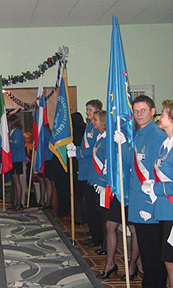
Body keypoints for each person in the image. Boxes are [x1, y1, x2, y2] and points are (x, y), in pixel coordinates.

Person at [117, 95, 167, 287]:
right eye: (136, 111)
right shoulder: (139, 133)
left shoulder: (157, 136)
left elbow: (157, 173)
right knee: (146, 254)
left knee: (154, 255)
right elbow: (133, 161)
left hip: (150, 205)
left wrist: (149, 204)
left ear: (153, 112)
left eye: (143, 110)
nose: (138, 114)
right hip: (139, 201)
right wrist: (122, 145)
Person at [85, 110, 139, 280]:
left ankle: (132, 266)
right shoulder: (104, 138)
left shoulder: (126, 135)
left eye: (95, 119)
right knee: (110, 225)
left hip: (128, 186)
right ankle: (110, 264)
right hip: (114, 186)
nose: (92, 122)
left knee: (133, 228)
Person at [68, 99, 104, 248]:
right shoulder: (89, 126)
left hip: (93, 169)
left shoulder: (98, 128)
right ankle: (94, 233)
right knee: (89, 206)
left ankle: (98, 237)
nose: (87, 112)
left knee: (94, 207)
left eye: (90, 109)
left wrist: (77, 151)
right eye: (87, 109)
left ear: (97, 110)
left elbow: (95, 150)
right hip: (86, 169)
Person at [144, 100, 173, 284]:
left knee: (170, 258)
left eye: (163, 114)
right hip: (164, 209)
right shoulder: (166, 144)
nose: (159, 117)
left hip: (171, 208)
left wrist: (154, 188)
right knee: (168, 259)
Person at [8, 115, 26, 211]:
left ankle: (19, 203)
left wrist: (8, 142)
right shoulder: (13, 132)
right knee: (14, 182)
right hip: (13, 159)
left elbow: (17, 144)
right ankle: (15, 202)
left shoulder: (17, 132)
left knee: (17, 181)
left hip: (17, 159)